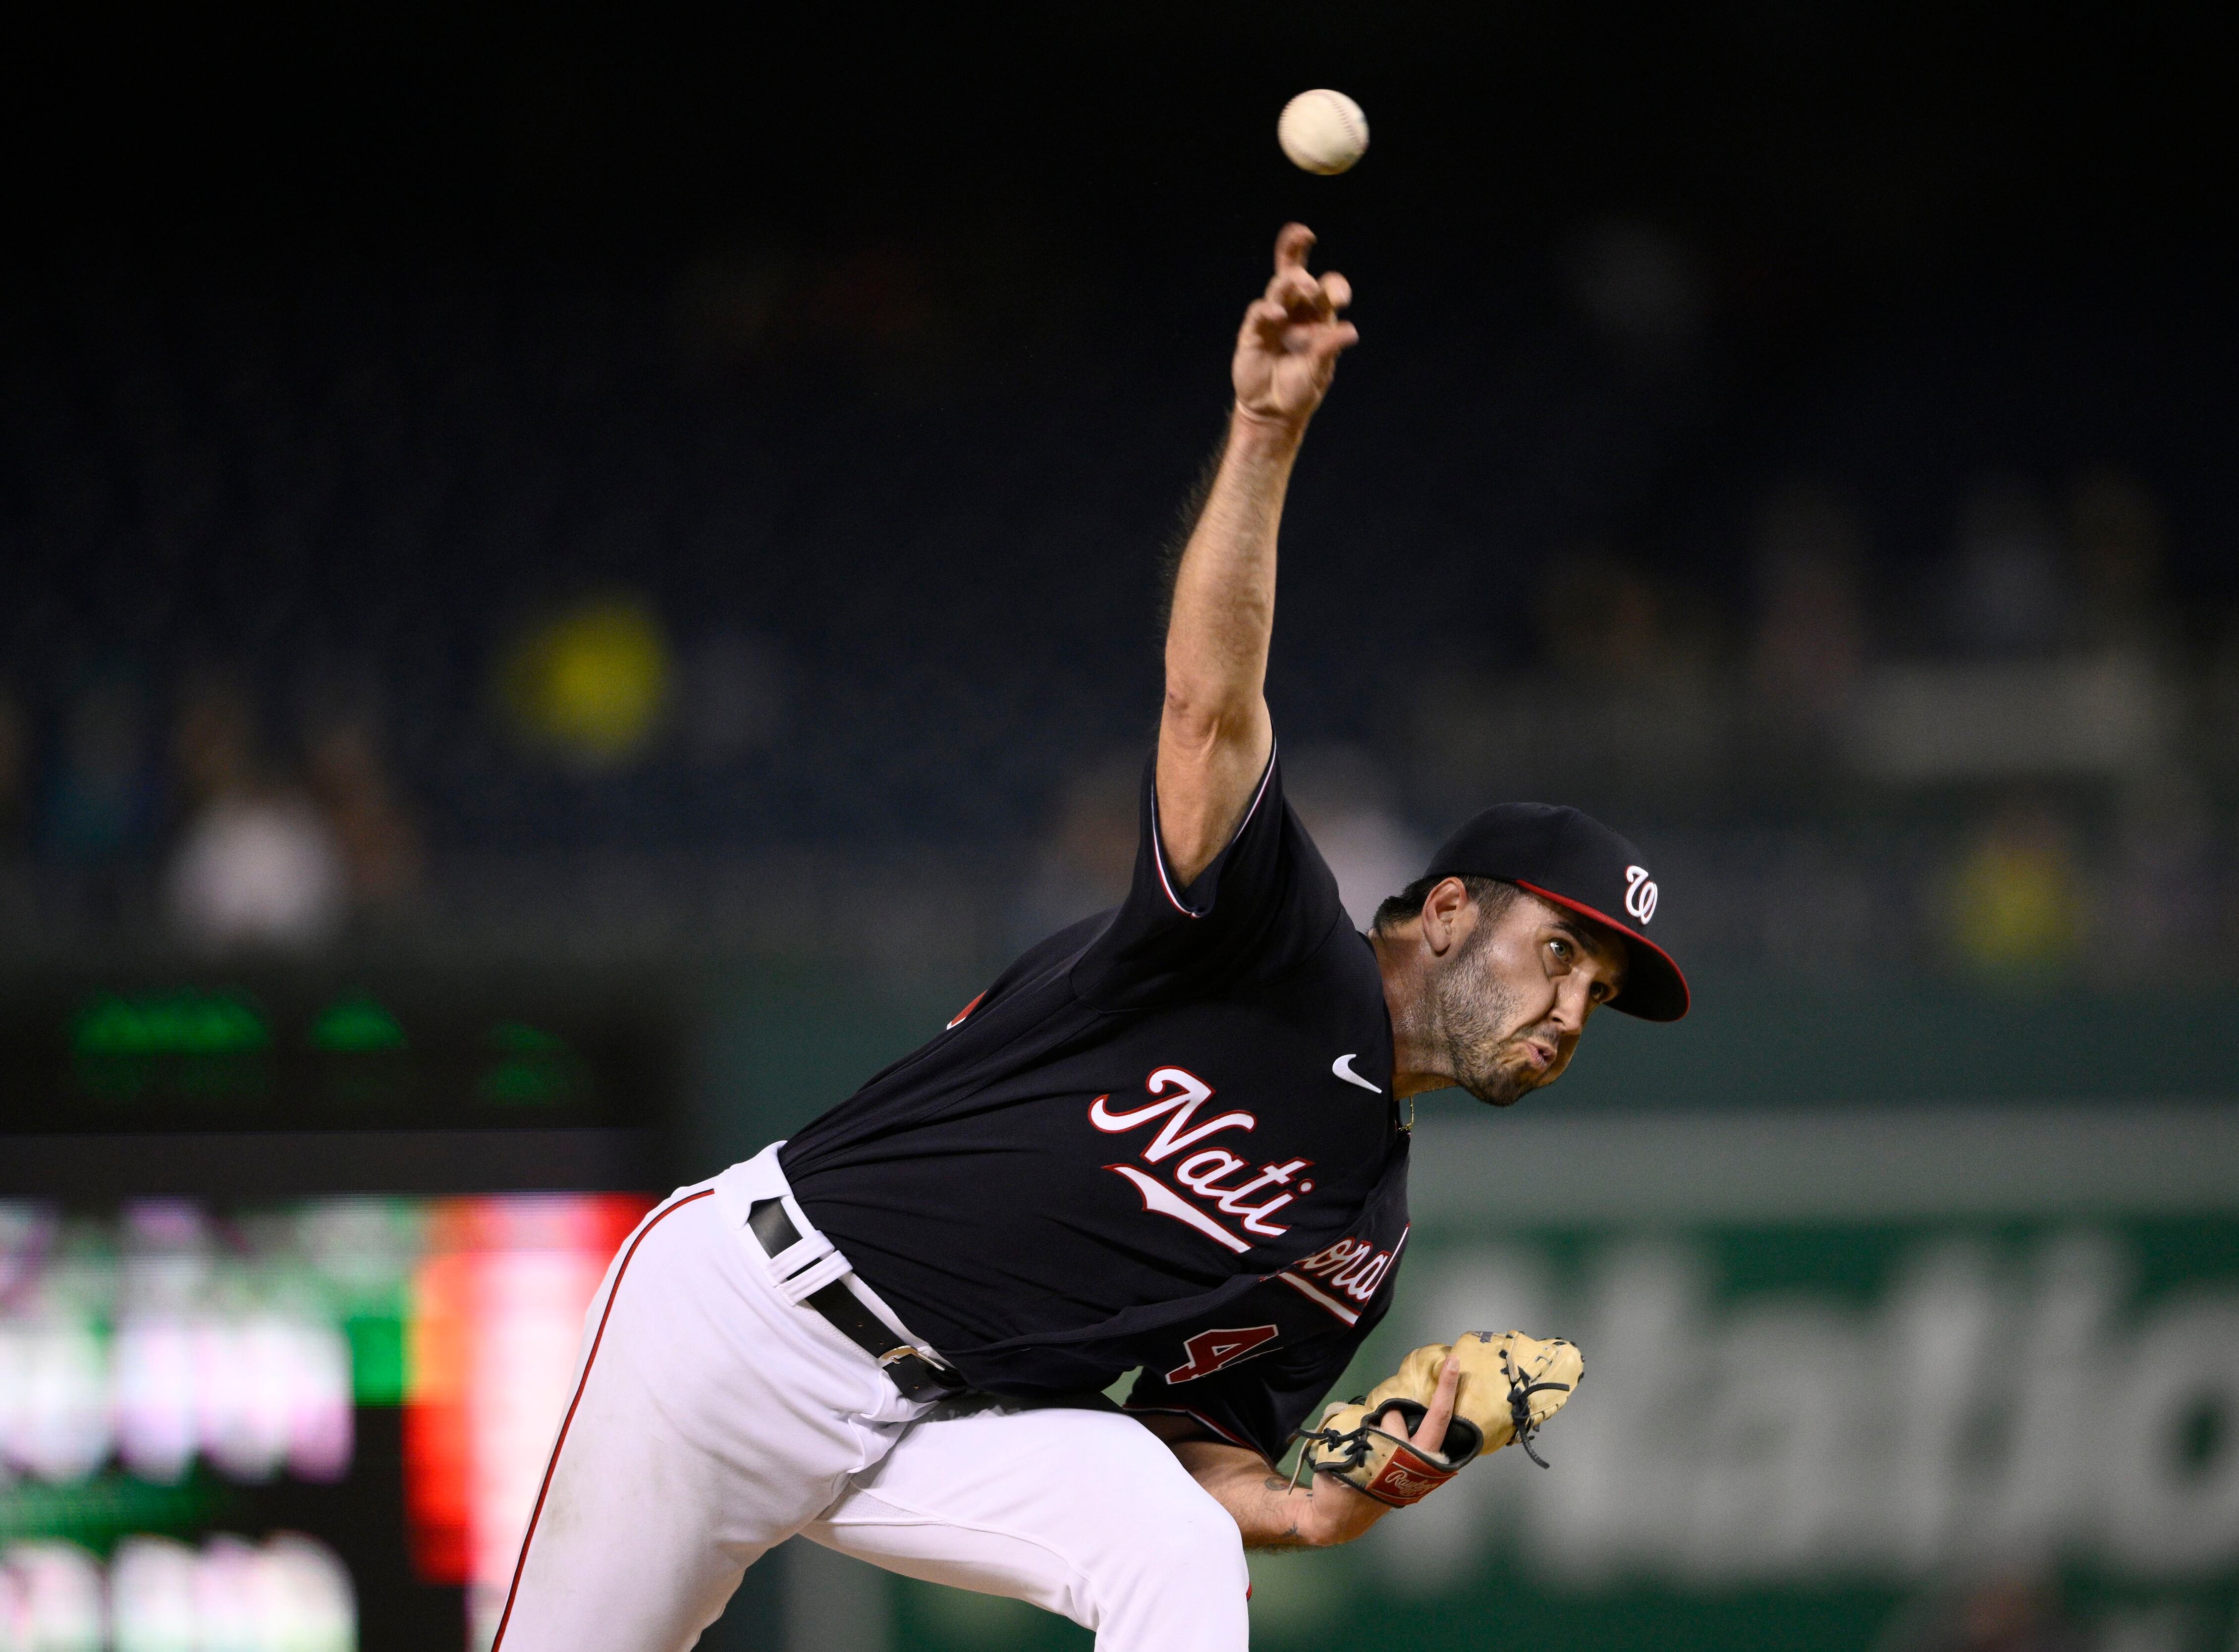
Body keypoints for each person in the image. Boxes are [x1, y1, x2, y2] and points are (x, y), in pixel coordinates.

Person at [493, 224, 1690, 1652]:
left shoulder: (1362, 1231)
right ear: (1445, 912)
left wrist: (1361, 1483)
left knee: (1172, 1547)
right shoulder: (1270, 937)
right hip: (741, 1328)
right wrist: (1263, 430)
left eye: (1602, 991)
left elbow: (1224, 1467)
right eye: (1561, 952)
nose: (1573, 1007)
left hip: (935, 1433)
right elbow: (1208, 705)